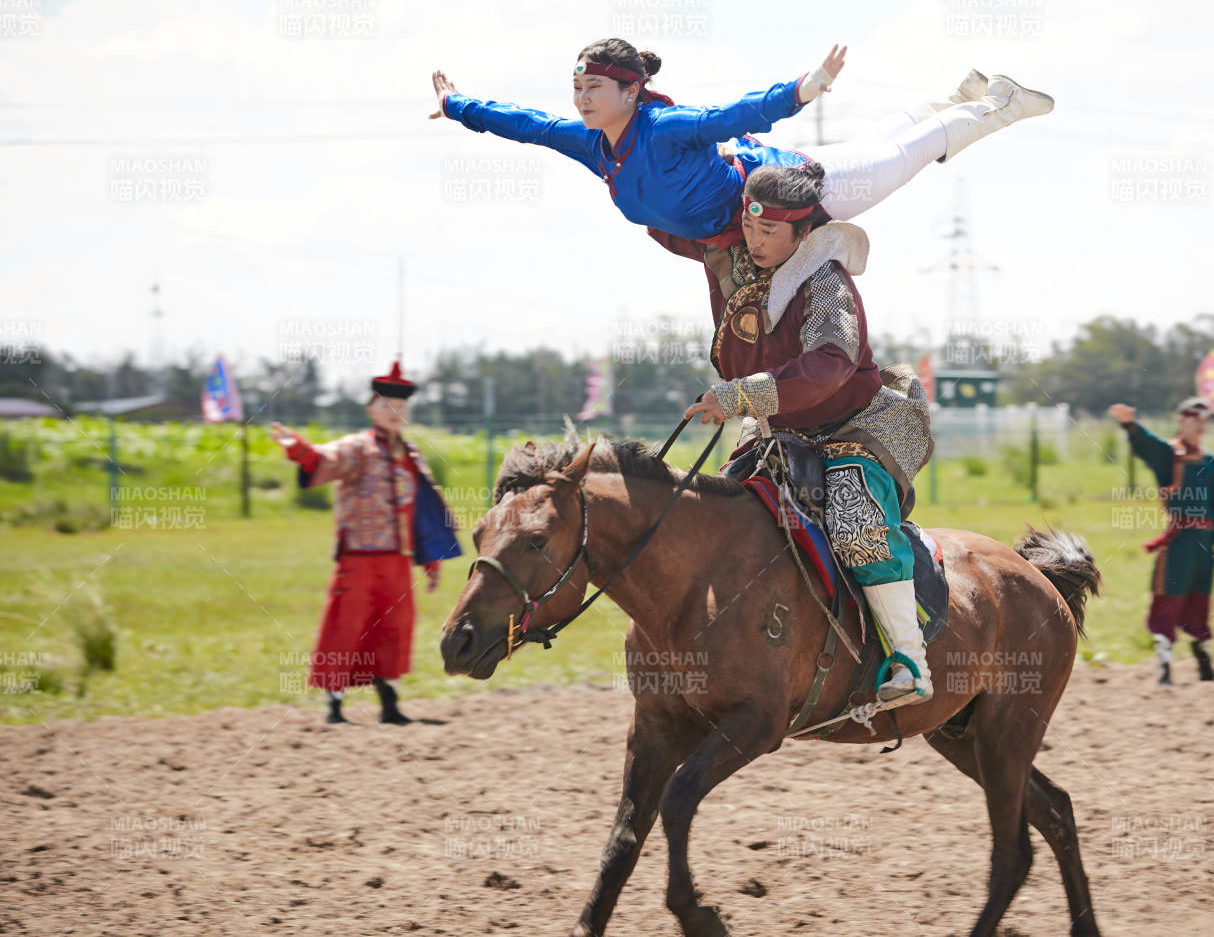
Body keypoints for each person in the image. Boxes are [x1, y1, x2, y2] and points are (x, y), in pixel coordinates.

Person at [657, 163, 935, 703]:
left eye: (769, 233)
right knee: (723, 516)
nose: (754, 241)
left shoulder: (828, 281)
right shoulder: (734, 254)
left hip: (855, 422)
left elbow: (829, 366)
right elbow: (662, 206)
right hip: (776, 426)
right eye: (749, 226)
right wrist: (619, 146)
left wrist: (737, 396)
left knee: (855, 516)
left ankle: (909, 660)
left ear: (804, 233)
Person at [429, 38, 1050, 242]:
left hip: (797, 191)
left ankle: (998, 102)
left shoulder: (665, 127)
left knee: (900, 156)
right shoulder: (590, 143)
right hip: (761, 184)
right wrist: (459, 105)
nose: (582, 99)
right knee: (880, 142)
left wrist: (801, 92)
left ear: (630, 90)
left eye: (594, 87)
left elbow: (732, 114)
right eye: (577, 87)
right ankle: (954, 96)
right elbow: (526, 124)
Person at [269, 361, 463, 724]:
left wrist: (431, 561)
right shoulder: (357, 448)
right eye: (388, 406)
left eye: (401, 408)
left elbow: (421, 513)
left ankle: (388, 702)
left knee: (392, 630)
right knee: (346, 627)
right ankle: (335, 704)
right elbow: (323, 459)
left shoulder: (411, 456)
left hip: (397, 562)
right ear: (371, 409)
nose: (395, 413)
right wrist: (297, 449)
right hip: (358, 559)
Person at [1108, 399, 1214, 687]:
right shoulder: (1169, 455)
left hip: (1205, 542)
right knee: (1169, 601)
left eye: (1205, 420)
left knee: (1200, 601)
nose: (1200, 426)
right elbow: (1146, 444)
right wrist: (1129, 424)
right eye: (1195, 419)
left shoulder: (1210, 460)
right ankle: (1165, 669)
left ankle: (1206, 670)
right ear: (1182, 421)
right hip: (1180, 541)